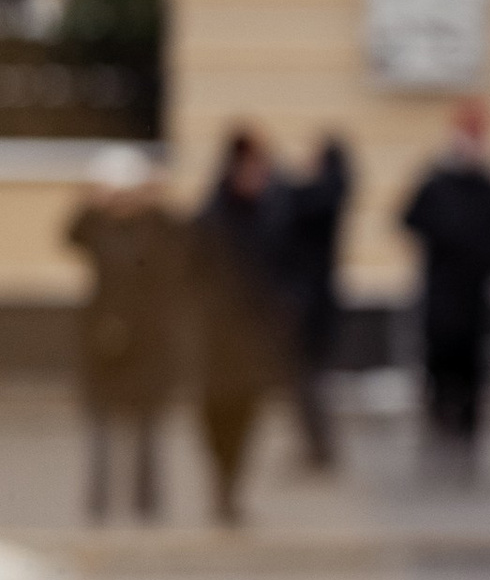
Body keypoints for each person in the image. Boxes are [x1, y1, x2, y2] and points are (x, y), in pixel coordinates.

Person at [64, 147, 186, 521]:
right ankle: (98, 502)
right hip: (103, 337)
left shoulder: (155, 227)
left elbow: (182, 244)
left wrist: (155, 198)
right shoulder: (99, 227)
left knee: (147, 427)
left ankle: (146, 502)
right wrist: (93, 200)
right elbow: (71, 234)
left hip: (149, 340)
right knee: (101, 425)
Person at [400, 101, 490, 458]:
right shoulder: (436, 182)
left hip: (476, 297)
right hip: (440, 294)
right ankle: (440, 424)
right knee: (438, 364)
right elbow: (409, 219)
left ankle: (466, 432)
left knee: (472, 369)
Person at [189, 128, 292, 526]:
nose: (258, 177)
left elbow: (283, 270)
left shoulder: (271, 216)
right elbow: (191, 272)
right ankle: (221, 480)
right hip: (214, 336)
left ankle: (230, 487)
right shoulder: (211, 217)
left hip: (254, 338)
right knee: (215, 415)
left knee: (246, 417)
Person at [271, 135, 353, 471]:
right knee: (308, 381)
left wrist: (281, 181)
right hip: (314, 302)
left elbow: (297, 208)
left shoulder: (325, 194)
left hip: (310, 304)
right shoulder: (328, 192)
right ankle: (316, 447)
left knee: (306, 381)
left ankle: (318, 448)